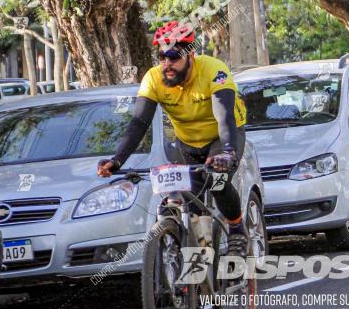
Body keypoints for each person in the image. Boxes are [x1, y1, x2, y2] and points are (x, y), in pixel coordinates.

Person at [97, 21, 249, 258]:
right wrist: (116, 160)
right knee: (193, 202)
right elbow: (139, 123)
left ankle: (237, 228)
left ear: (190, 54)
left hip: (222, 136)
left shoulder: (213, 70)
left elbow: (224, 116)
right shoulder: (154, 78)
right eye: (161, 56)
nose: (167, 63)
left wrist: (227, 152)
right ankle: (202, 268)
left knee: (218, 182)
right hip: (187, 142)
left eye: (174, 56)